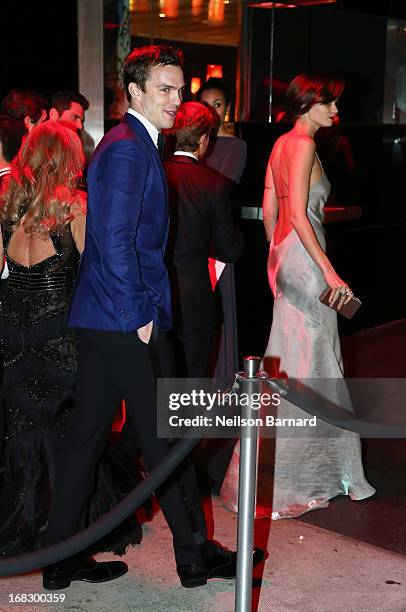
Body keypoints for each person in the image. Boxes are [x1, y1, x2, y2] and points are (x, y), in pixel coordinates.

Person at [42, 45, 262, 591]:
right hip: (124, 320)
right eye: (165, 88)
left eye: (179, 88)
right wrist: (139, 314)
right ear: (134, 92)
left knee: (88, 439)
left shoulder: (134, 145)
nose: (176, 98)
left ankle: (60, 556)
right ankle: (192, 556)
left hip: (104, 318)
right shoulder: (127, 150)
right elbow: (113, 240)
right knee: (167, 437)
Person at [221, 73, 375, 518]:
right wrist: (330, 273)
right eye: (330, 104)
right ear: (309, 103)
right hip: (308, 264)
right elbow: (297, 215)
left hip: (287, 261)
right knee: (317, 366)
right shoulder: (304, 145)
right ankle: (320, 476)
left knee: (290, 363)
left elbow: (270, 211)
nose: (336, 112)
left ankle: (284, 472)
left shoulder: (280, 143)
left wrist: (276, 263)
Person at [0, 121, 142, 557]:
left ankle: (23, 519)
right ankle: (66, 531)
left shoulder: (6, 204)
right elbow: (97, 273)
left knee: (22, 425)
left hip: (11, 328)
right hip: (61, 332)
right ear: (70, 160)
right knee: (70, 428)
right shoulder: (76, 208)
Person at [164, 101, 243, 378]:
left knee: (158, 380)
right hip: (196, 295)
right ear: (203, 139)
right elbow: (230, 249)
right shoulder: (215, 184)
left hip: (155, 292)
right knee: (194, 380)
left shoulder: (155, 173)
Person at [196, 78, 247, 494]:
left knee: (222, 339)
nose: (211, 111)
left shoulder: (233, 147)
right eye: (205, 105)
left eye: (218, 103)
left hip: (218, 256)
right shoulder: (194, 149)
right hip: (198, 252)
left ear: (227, 106)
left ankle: (218, 447)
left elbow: (216, 189)